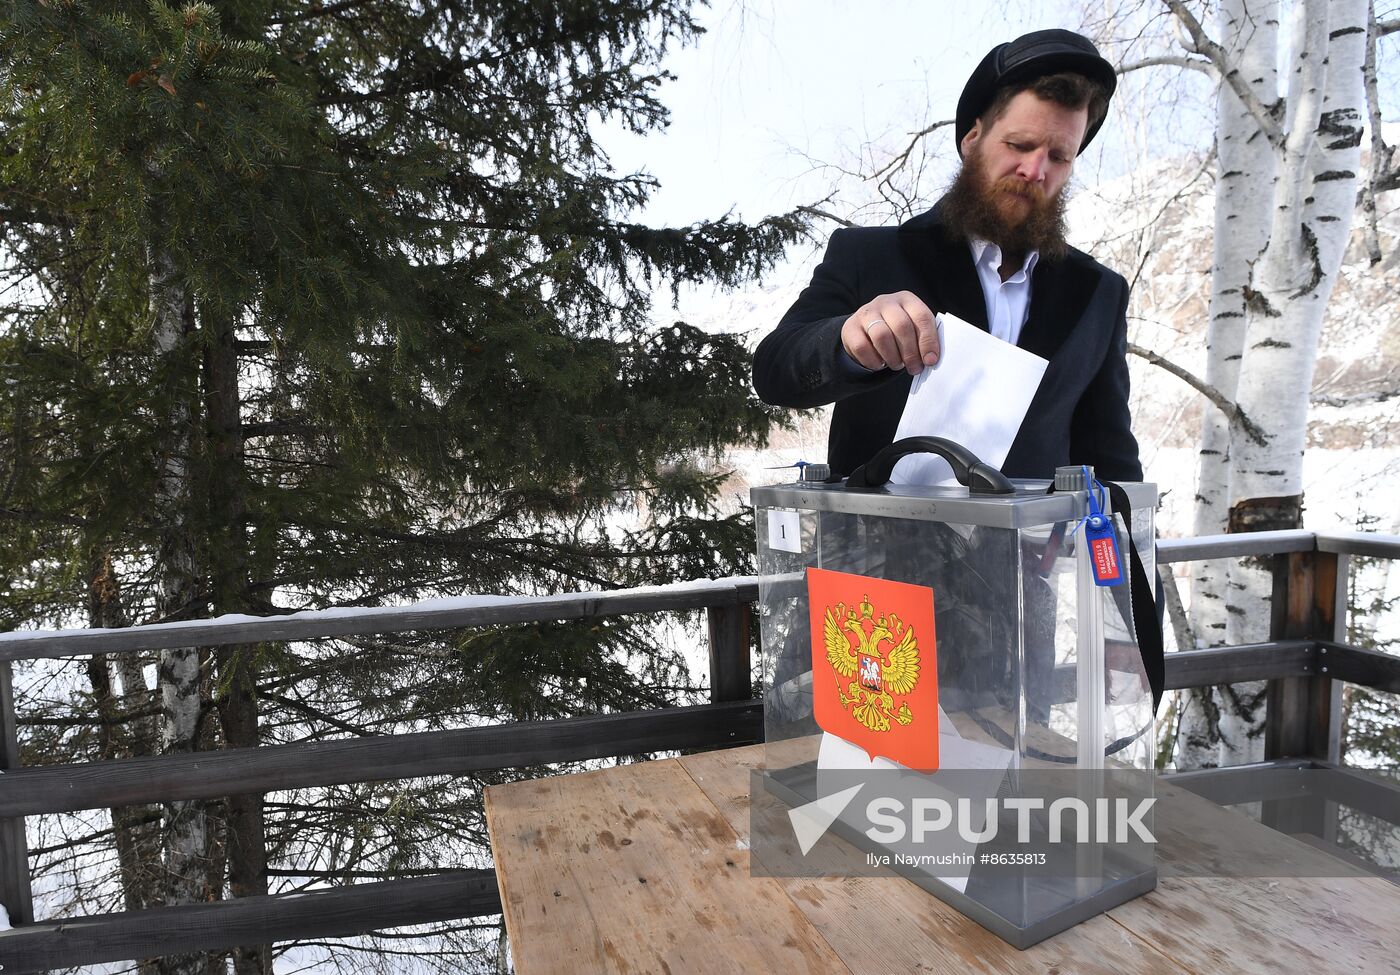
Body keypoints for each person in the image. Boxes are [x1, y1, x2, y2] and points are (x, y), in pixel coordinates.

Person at [753, 29, 1142, 483]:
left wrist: (1134, 548)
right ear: (972, 139)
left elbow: (1111, 458)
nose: (1035, 171)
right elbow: (775, 370)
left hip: (1031, 553)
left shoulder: (1099, 293)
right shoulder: (870, 255)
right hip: (875, 549)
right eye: (1019, 145)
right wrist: (849, 341)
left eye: (1059, 156)